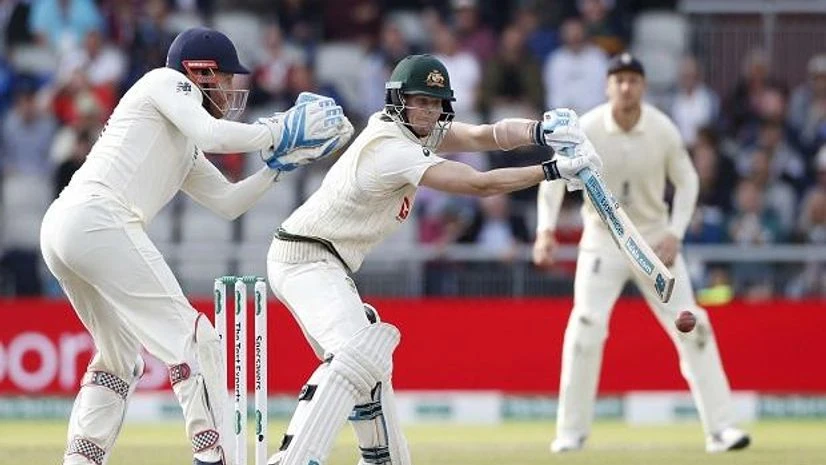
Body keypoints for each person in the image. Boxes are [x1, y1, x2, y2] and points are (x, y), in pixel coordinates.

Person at [265, 54, 601, 465]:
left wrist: (542, 130)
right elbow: (479, 184)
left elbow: (487, 134)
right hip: (304, 257)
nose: (428, 111)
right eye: (419, 101)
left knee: (370, 369)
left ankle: (385, 460)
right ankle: (294, 458)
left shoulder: (416, 134)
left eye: (436, 102)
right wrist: (553, 170)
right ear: (399, 101)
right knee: (358, 352)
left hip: (326, 263)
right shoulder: (391, 148)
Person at [39, 27, 353, 465]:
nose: (229, 88)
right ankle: (211, 454)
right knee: (196, 337)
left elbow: (228, 202)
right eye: (224, 78)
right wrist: (277, 128)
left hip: (64, 228)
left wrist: (277, 168)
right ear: (199, 72)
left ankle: (81, 460)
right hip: (98, 220)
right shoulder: (165, 82)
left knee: (119, 358)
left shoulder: (182, 141)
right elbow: (215, 135)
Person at [533, 53, 751, 454]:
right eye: (618, 79)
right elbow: (552, 181)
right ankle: (571, 432)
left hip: (654, 244)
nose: (626, 87)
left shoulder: (662, 129)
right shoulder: (586, 129)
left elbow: (687, 182)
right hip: (602, 240)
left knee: (693, 325)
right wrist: (545, 230)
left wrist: (675, 233)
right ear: (607, 86)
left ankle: (722, 429)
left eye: (633, 79)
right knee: (585, 328)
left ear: (643, 86)